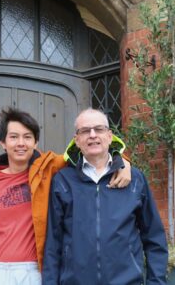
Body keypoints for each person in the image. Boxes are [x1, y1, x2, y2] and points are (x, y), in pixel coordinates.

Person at [0, 107, 132, 285]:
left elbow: (92, 151)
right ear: (3, 142)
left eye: (27, 137)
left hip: (30, 270)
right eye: (14, 137)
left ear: (36, 142)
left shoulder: (48, 167)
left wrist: (123, 161)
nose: (21, 143)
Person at [42, 108, 168, 285]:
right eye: (85, 131)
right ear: (76, 140)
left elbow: (154, 238)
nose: (92, 135)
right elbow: (53, 245)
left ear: (109, 136)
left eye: (99, 129)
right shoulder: (63, 181)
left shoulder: (135, 179)